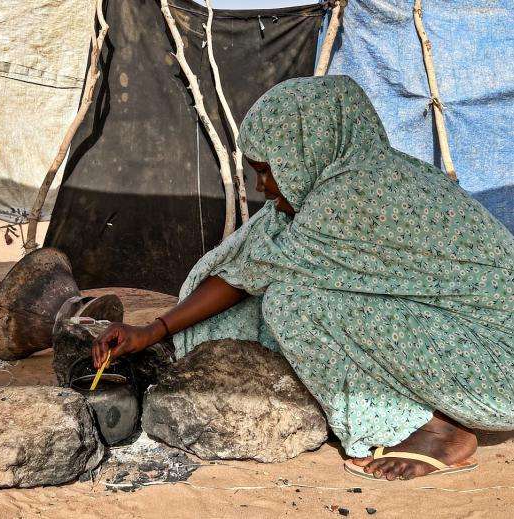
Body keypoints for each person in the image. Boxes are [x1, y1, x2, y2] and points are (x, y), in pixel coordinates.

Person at [92, 76, 514, 481]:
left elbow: (248, 275)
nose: (262, 185)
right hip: (473, 343)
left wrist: (153, 330)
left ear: (302, 151)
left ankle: (441, 431)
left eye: (267, 169)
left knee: (292, 304)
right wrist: (154, 330)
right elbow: (250, 265)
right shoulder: (369, 174)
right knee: (280, 297)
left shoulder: (352, 197)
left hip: (497, 371)